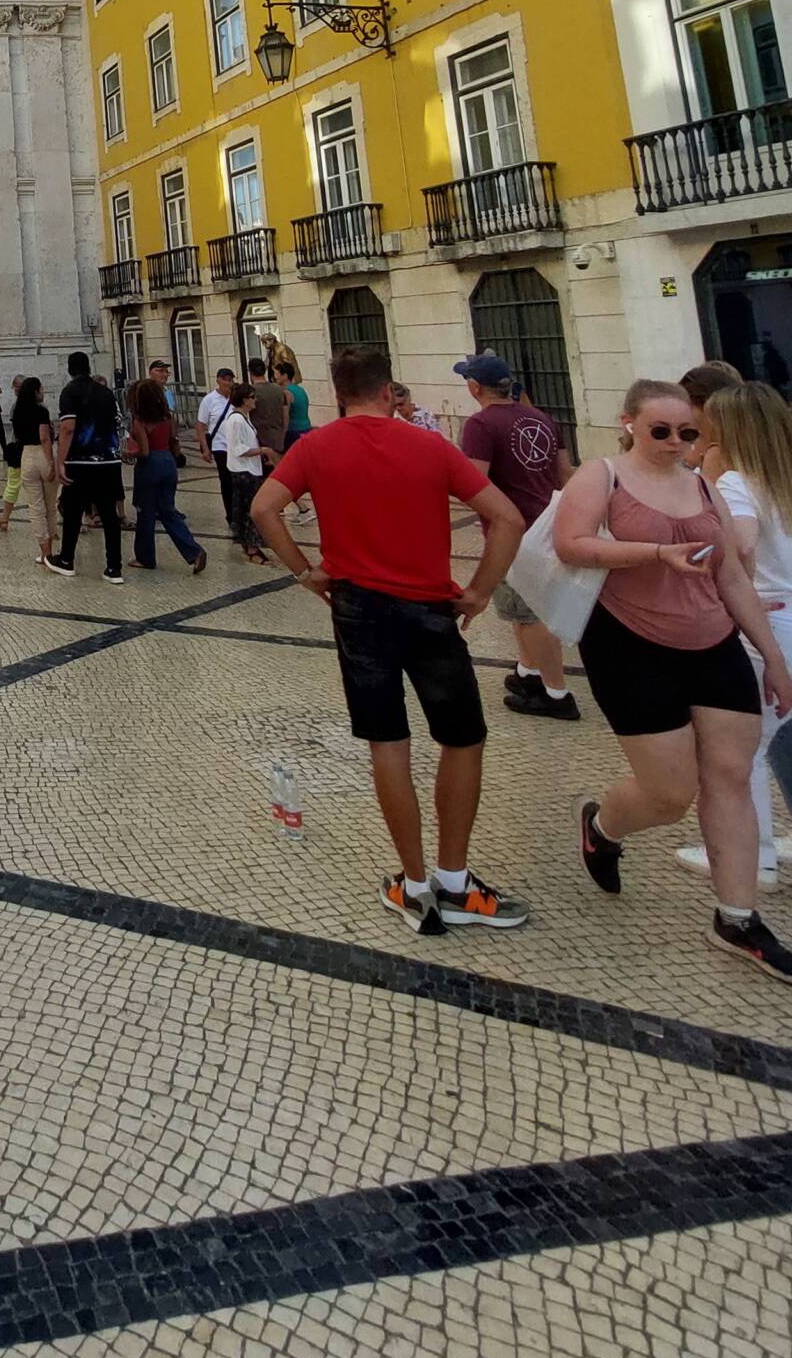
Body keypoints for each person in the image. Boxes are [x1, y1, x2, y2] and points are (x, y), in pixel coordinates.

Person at [251, 346, 528, 936]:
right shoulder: (431, 447)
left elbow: (264, 508)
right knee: (462, 739)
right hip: (430, 609)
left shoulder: (315, 447)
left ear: (337, 393)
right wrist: (479, 592)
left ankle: (414, 884)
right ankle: (456, 881)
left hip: (357, 609)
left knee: (388, 742)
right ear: (388, 392)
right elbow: (507, 518)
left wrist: (307, 571)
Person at [555, 380, 792, 981]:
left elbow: (733, 580)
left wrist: (773, 658)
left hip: (714, 642)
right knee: (668, 794)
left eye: (688, 432)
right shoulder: (600, 476)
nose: (675, 442)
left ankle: (738, 919)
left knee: (731, 777)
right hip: (628, 644)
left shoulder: (705, 483)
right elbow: (570, 545)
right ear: (630, 422)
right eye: (660, 430)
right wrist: (652, 554)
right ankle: (602, 826)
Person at [680, 382, 792, 886]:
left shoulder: (736, 483)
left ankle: (757, 856)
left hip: (770, 621)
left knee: (741, 749)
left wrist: (739, 581)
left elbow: (740, 541)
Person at [454, 354, 578, 722]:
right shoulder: (541, 418)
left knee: (529, 614)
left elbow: (475, 481)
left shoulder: (480, 424)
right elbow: (564, 474)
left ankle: (557, 693)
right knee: (520, 607)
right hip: (544, 524)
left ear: (475, 387)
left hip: (512, 530)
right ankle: (529, 673)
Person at [48, 350, 125, 582]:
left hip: (81, 461)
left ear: (70, 370)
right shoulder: (106, 392)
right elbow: (117, 422)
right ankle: (114, 568)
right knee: (109, 514)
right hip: (109, 460)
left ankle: (66, 559)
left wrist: (60, 460)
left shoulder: (70, 392)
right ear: (89, 368)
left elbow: (68, 427)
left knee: (73, 511)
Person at [126, 379, 206, 575]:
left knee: (145, 513)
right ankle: (194, 551)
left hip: (150, 465)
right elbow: (174, 441)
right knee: (168, 511)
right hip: (168, 462)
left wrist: (128, 454)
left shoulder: (140, 421)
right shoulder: (168, 418)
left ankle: (145, 557)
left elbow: (144, 451)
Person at [2, 376, 60, 564]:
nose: (43, 392)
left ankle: (43, 551)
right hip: (42, 454)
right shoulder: (41, 411)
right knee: (50, 506)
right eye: (41, 389)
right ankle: (50, 549)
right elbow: (44, 438)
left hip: (26, 456)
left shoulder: (17, 411)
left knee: (35, 507)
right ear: (35, 391)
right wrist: (51, 462)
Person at [220, 384, 268, 561]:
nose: (255, 400)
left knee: (247, 509)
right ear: (245, 399)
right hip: (244, 470)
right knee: (249, 510)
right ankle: (251, 547)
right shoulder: (236, 420)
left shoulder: (243, 418)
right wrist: (263, 451)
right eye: (253, 397)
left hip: (249, 468)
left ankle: (251, 543)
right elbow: (239, 448)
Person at [196, 368, 240, 538]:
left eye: (231, 380)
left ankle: (240, 514)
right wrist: (205, 448)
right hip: (220, 447)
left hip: (237, 447)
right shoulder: (209, 400)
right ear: (219, 380)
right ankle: (231, 516)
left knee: (239, 482)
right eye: (226, 380)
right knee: (227, 482)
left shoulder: (236, 399)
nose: (229, 383)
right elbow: (200, 425)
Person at [246, 358, 289, 469]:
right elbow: (285, 415)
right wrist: (282, 434)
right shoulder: (279, 390)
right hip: (277, 439)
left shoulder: (250, 392)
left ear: (250, 372)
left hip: (258, 441)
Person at [277, 354, 313, 445]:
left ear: (284, 376)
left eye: (277, 374)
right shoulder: (300, 389)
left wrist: (283, 435)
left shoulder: (286, 393)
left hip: (293, 430)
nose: (275, 377)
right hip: (306, 427)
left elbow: (285, 416)